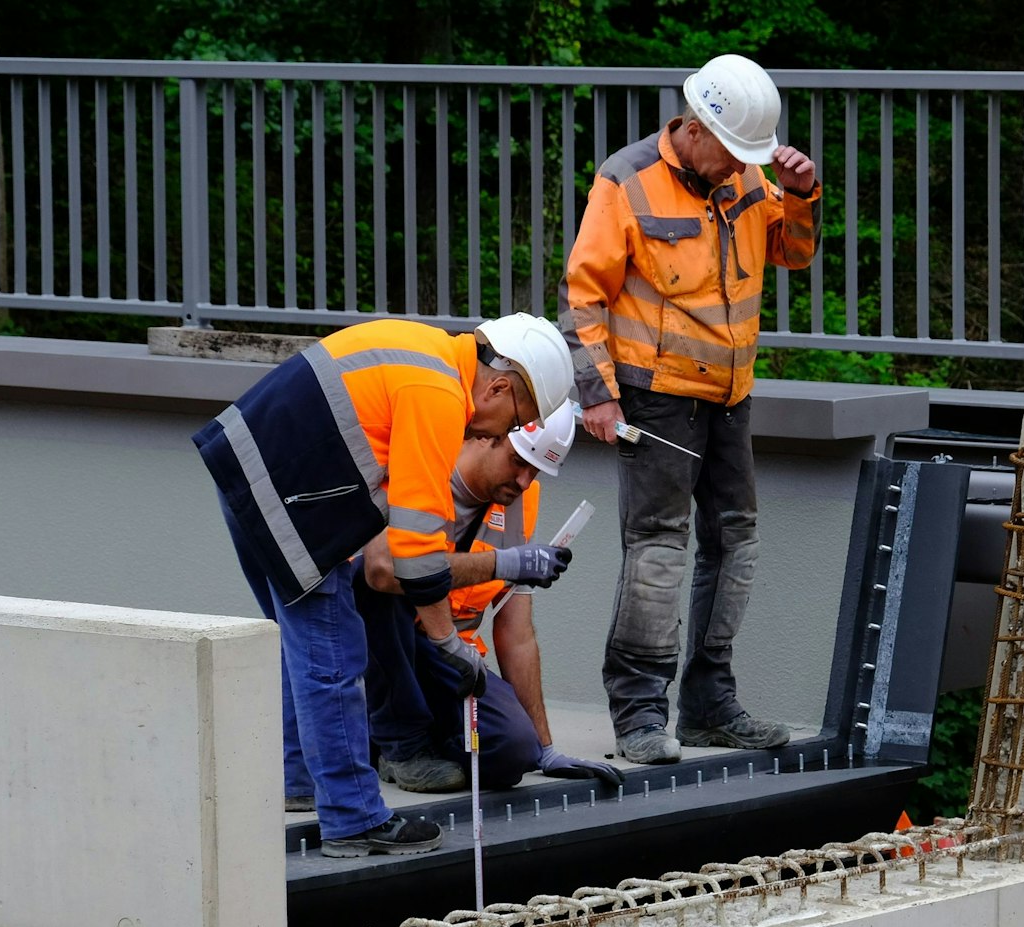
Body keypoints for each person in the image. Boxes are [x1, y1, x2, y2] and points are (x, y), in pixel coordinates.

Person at [194, 313, 572, 858]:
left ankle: (300, 781)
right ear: (498, 385)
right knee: (332, 655)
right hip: (290, 492)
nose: (497, 433)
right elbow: (413, 554)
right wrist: (450, 646)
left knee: (305, 650)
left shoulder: (426, 353)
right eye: (516, 420)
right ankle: (353, 821)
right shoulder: (438, 391)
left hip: (251, 471)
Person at [563, 53, 821, 765]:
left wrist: (799, 193)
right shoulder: (627, 179)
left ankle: (710, 704)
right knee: (657, 553)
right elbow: (582, 295)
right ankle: (640, 714)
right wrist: (599, 395)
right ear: (697, 127)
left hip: (730, 395)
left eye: (749, 158)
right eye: (732, 152)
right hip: (657, 396)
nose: (739, 167)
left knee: (736, 543)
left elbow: (791, 252)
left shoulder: (742, 173)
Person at [357, 402, 624, 794]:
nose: (522, 481)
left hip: (451, 659)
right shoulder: (428, 467)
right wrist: (501, 564)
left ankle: (412, 740)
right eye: (518, 462)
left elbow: (517, 634)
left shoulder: (521, 499)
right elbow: (381, 572)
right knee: (383, 585)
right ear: (487, 436)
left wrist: (545, 748)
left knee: (513, 751)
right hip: (386, 646)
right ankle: (400, 745)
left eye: (535, 472)